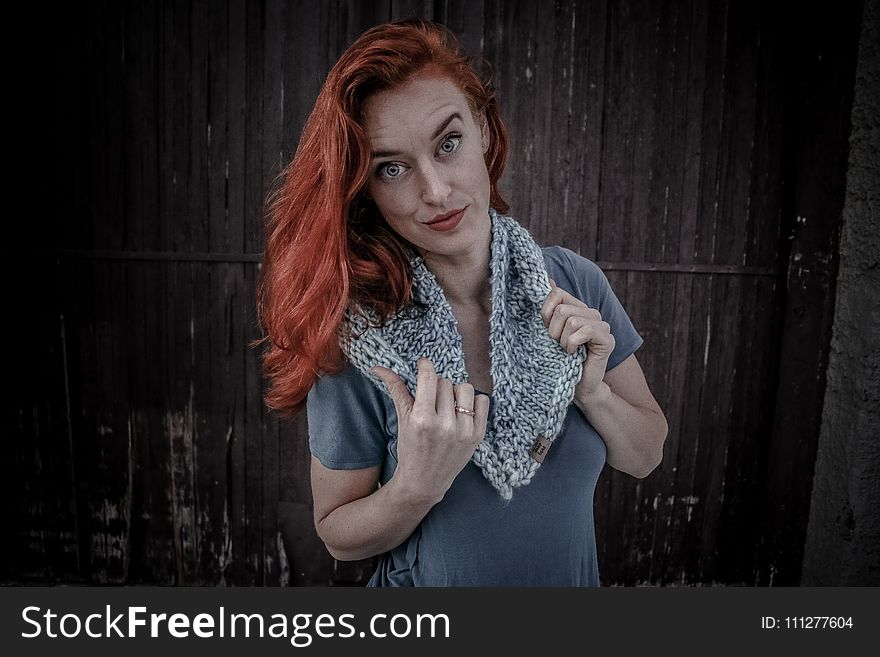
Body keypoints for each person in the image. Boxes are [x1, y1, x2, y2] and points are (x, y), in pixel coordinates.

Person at [257, 18, 668, 586]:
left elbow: (645, 455)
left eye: (448, 143)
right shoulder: (361, 334)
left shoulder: (573, 283)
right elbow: (337, 535)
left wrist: (590, 391)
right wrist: (416, 487)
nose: (436, 190)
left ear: (483, 130)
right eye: (392, 168)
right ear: (366, 190)